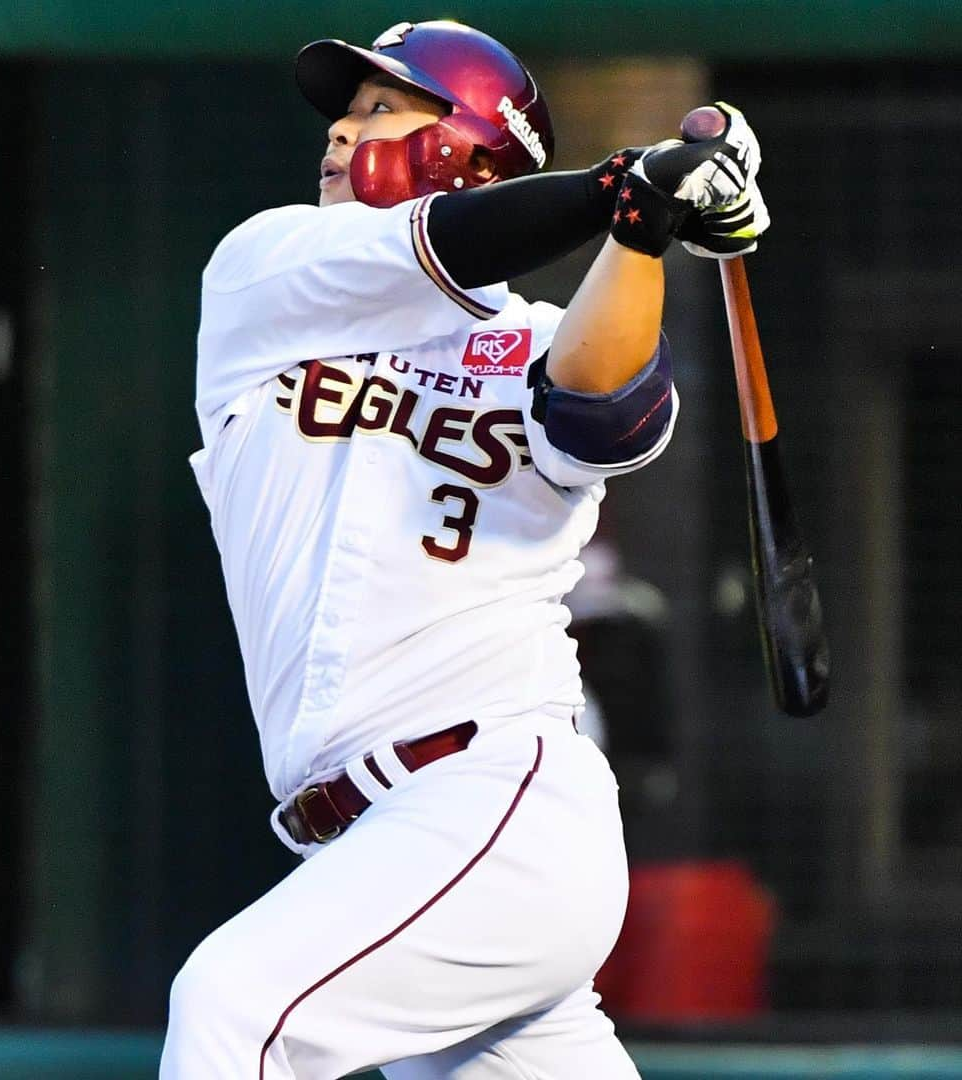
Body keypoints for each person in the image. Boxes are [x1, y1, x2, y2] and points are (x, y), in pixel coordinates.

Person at [161, 19, 769, 1080]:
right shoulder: (266, 274)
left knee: (235, 1006)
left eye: (383, 107)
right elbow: (449, 242)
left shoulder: (533, 336)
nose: (345, 131)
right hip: (372, 846)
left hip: (496, 798)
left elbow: (602, 412)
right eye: (345, 111)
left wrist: (641, 226)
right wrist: (625, 185)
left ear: (476, 145)